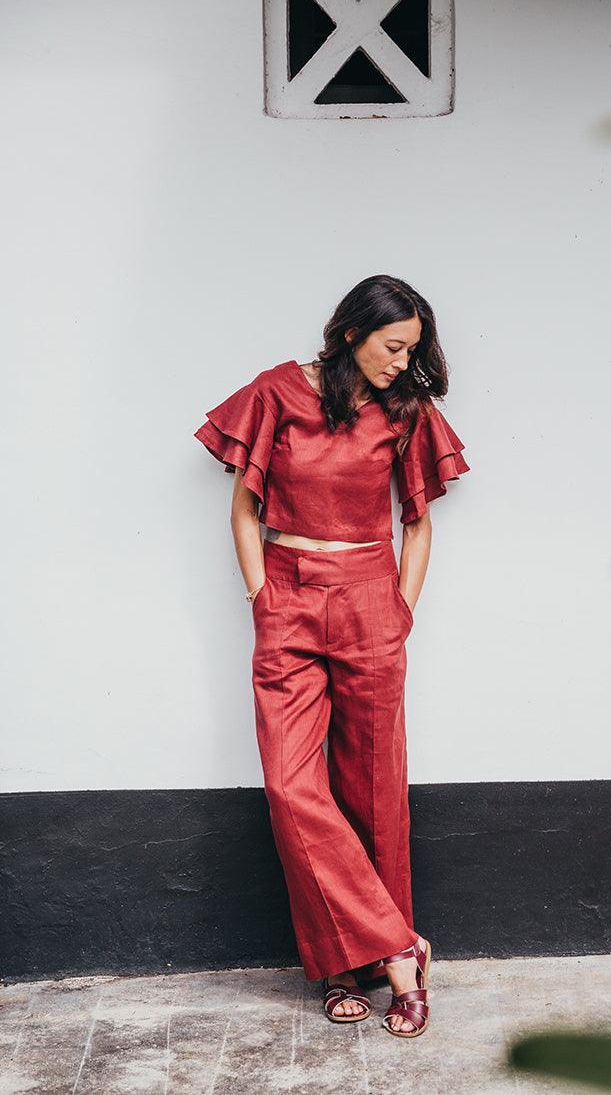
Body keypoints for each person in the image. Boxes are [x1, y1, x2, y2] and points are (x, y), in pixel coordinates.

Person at [193, 274, 470, 1038]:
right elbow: (243, 508)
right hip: (288, 597)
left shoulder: (406, 408)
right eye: (392, 346)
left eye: (412, 349)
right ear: (351, 332)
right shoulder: (276, 393)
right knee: (291, 787)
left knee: (373, 787)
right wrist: (261, 596)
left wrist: (400, 610)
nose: (401, 361)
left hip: (370, 600)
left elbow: (418, 523)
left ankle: (352, 968)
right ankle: (399, 951)